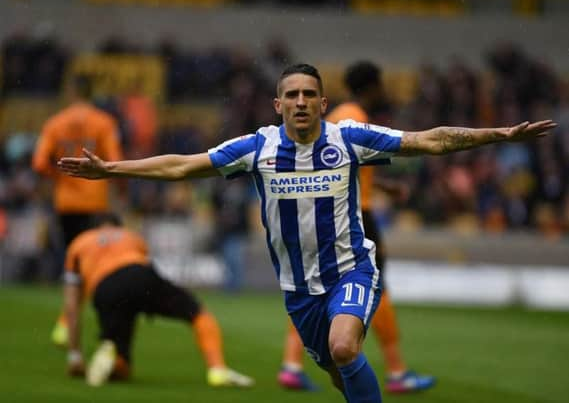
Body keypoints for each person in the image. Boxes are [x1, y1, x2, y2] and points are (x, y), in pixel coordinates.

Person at [58, 63, 555, 403]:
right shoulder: (258, 147)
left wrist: (501, 135)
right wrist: (113, 170)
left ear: (323, 103)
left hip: (350, 270)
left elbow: (429, 141)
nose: (300, 102)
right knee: (339, 372)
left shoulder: (350, 139)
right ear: (278, 104)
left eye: (309, 95)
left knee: (344, 347)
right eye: (292, 95)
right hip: (299, 291)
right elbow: (182, 166)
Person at [277, 61, 434, 393]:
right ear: (373, 86)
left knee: (317, 288)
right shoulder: (354, 115)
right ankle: (396, 370)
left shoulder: (337, 116)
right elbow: (337, 162)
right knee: (375, 286)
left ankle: (291, 363)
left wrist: (385, 187)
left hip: (345, 207)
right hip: (354, 214)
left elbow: (339, 163)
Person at [63, 212, 254, 388]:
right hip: (138, 274)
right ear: (117, 225)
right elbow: (143, 268)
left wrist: (74, 355)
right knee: (198, 314)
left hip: (103, 288)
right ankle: (217, 369)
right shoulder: (130, 236)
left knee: (122, 365)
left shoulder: (79, 243)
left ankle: (113, 353)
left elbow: (71, 306)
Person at [32, 74, 124, 346]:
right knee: (96, 264)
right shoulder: (104, 122)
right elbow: (115, 161)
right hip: (94, 202)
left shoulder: (55, 123)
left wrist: (59, 177)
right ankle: (79, 322)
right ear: (91, 92)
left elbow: (38, 163)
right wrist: (118, 190)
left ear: (71, 92)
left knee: (73, 262)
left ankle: (67, 321)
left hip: (66, 203)